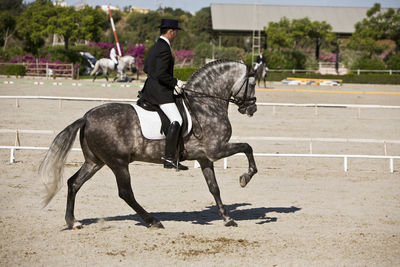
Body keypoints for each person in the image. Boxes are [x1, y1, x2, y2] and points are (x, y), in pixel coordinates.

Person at [140, 18, 188, 170]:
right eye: (176, 32)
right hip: (159, 92)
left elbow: (147, 69)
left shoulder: (155, 46)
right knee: (177, 119)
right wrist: (175, 83)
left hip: (150, 89)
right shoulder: (164, 49)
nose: (176, 35)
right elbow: (161, 74)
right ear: (171, 32)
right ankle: (169, 159)